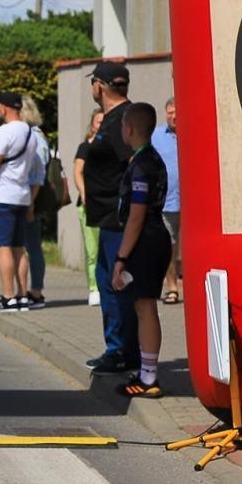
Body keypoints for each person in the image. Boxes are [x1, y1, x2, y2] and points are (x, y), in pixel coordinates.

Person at [109, 102, 173, 398]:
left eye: (123, 125)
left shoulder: (142, 164)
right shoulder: (150, 159)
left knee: (146, 308)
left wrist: (121, 257)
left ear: (130, 128)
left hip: (146, 240)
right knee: (143, 306)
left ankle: (148, 379)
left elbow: (136, 214)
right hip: (154, 236)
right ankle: (147, 371)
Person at [79, 61, 137, 375]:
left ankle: (122, 353)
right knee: (108, 282)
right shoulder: (115, 118)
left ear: (100, 86)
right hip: (107, 218)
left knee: (118, 286)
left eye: (92, 84)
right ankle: (117, 349)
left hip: (118, 220)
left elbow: (133, 165)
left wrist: (129, 209)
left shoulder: (119, 121)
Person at [0, 91, 34, 314]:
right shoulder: (29, 131)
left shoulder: (5, 131)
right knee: (20, 247)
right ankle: (22, 296)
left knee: (3, 247)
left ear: (5, 107)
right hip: (22, 195)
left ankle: (8, 296)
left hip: (3, 195)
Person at [14, 95, 51, 307]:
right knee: (26, 245)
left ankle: (36, 291)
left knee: (32, 246)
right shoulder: (29, 135)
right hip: (26, 198)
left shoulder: (34, 137)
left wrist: (31, 203)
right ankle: (27, 290)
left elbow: (38, 173)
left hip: (31, 200)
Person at [70, 112, 103, 307]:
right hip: (89, 206)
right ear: (92, 125)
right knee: (93, 250)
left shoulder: (112, 146)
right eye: (99, 122)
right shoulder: (85, 147)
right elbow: (77, 172)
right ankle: (94, 288)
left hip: (107, 204)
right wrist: (84, 194)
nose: (102, 125)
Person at [151, 97, 181, 304]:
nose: (173, 116)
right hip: (167, 201)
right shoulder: (156, 136)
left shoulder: (193, 131)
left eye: (176, 111)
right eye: (169, 112)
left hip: (194, 204)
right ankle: (172, 287)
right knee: (168, 245)